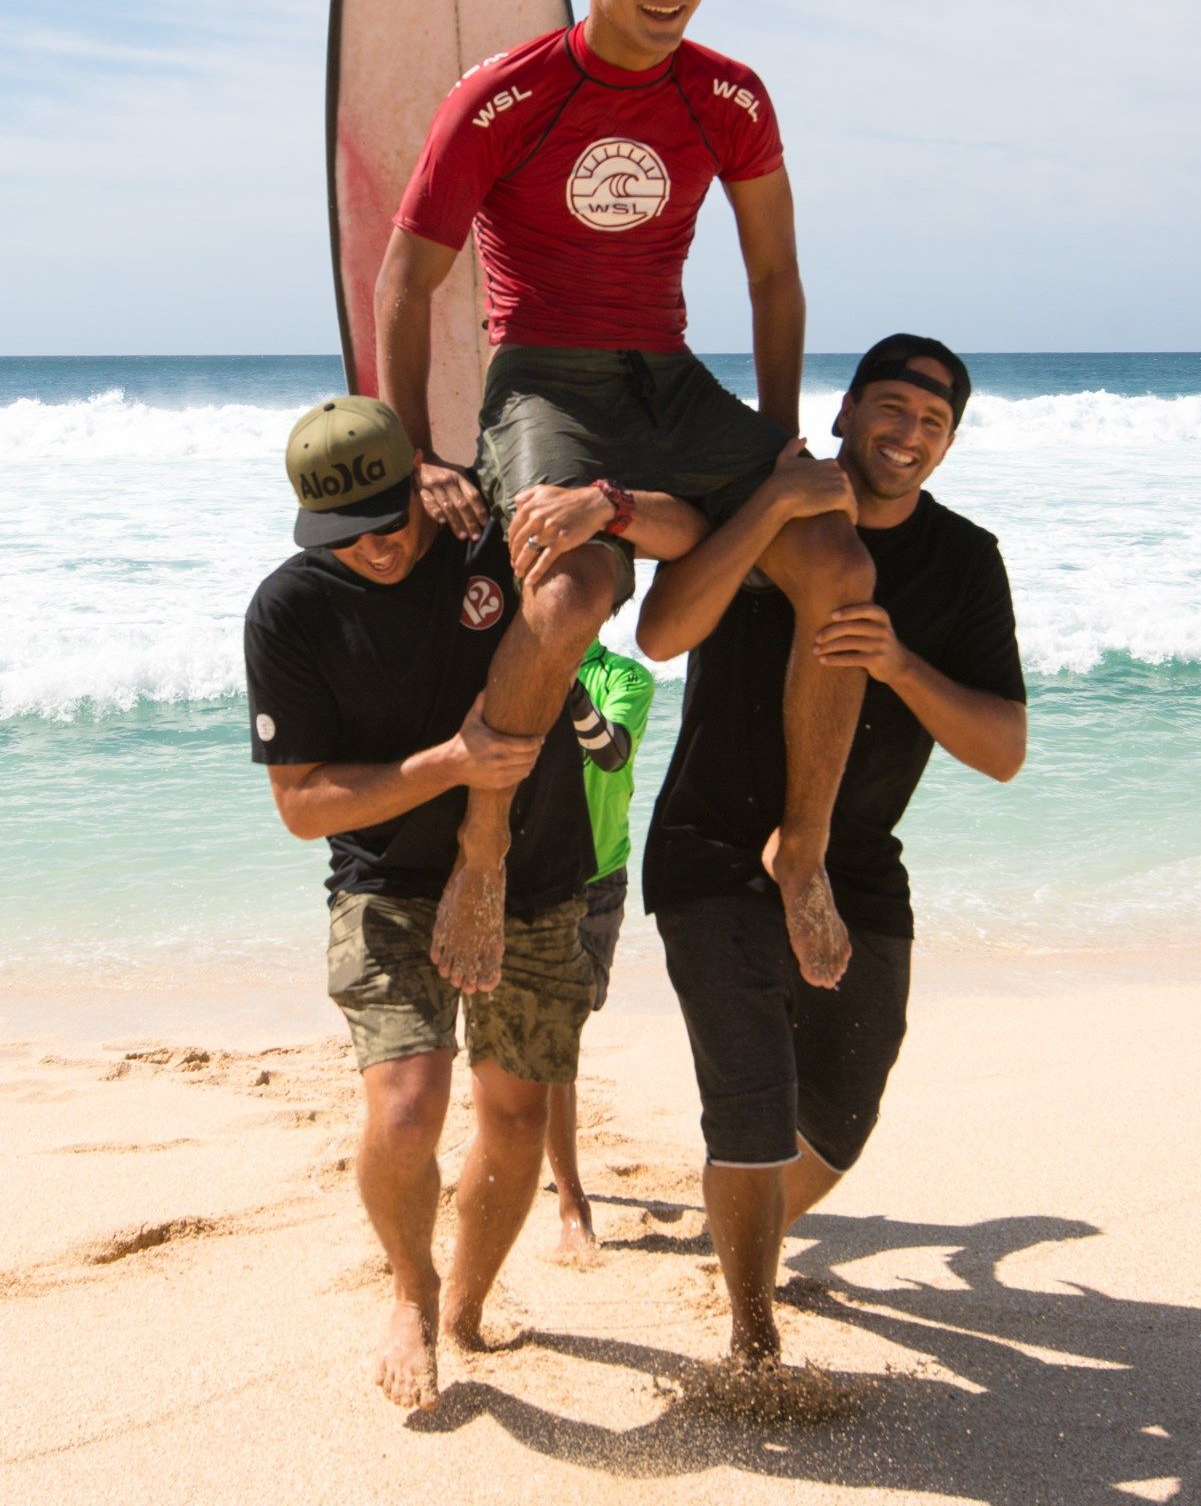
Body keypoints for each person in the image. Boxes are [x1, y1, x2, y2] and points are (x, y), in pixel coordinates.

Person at [374, 0, 870, 1011]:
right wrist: (419, 451)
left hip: (670, 378)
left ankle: (801, 846)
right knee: (567, 593)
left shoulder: (729, 94)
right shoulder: (506, 93)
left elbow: (777, 274)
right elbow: (405, 278)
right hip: (543, 379)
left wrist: (783, 449)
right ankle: (484, 847)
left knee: (840, 561)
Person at [243, 395, 701, 1409]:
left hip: (540, 868)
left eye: (385, 520)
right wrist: (449, 763)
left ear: (422, 482)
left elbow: (678, 542)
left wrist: (604, 507)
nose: (369, 548)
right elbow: (303, 802)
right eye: (341, 533)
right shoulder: (291, 607)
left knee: (518, 1107)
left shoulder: (489, 538)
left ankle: (466, 1306)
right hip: (386, 879)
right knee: (407, 1105)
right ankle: (412, 1285)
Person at [634, 336, 1029, 1365]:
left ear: (949, 445)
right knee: (752, 1105)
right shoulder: (762, 506)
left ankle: (740, 1226)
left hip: (854, 859)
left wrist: (900, 661)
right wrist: (763, 505)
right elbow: (662, 632)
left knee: (843, 1115)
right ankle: (752, 1334)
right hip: (713, 844)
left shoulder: (963, 561)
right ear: (845, 410)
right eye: (891, 407)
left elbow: (1003, 749)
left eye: (933, 424)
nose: (908, 435)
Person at [545, 637, 654, 1261]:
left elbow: (609, 755)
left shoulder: (627, 678)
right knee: (556, 1036)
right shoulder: (504, 659)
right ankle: (571, 1199)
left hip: (597, 876)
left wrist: (558, 677)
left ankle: (542, 1145)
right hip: (525, 870)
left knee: (569, 1021)